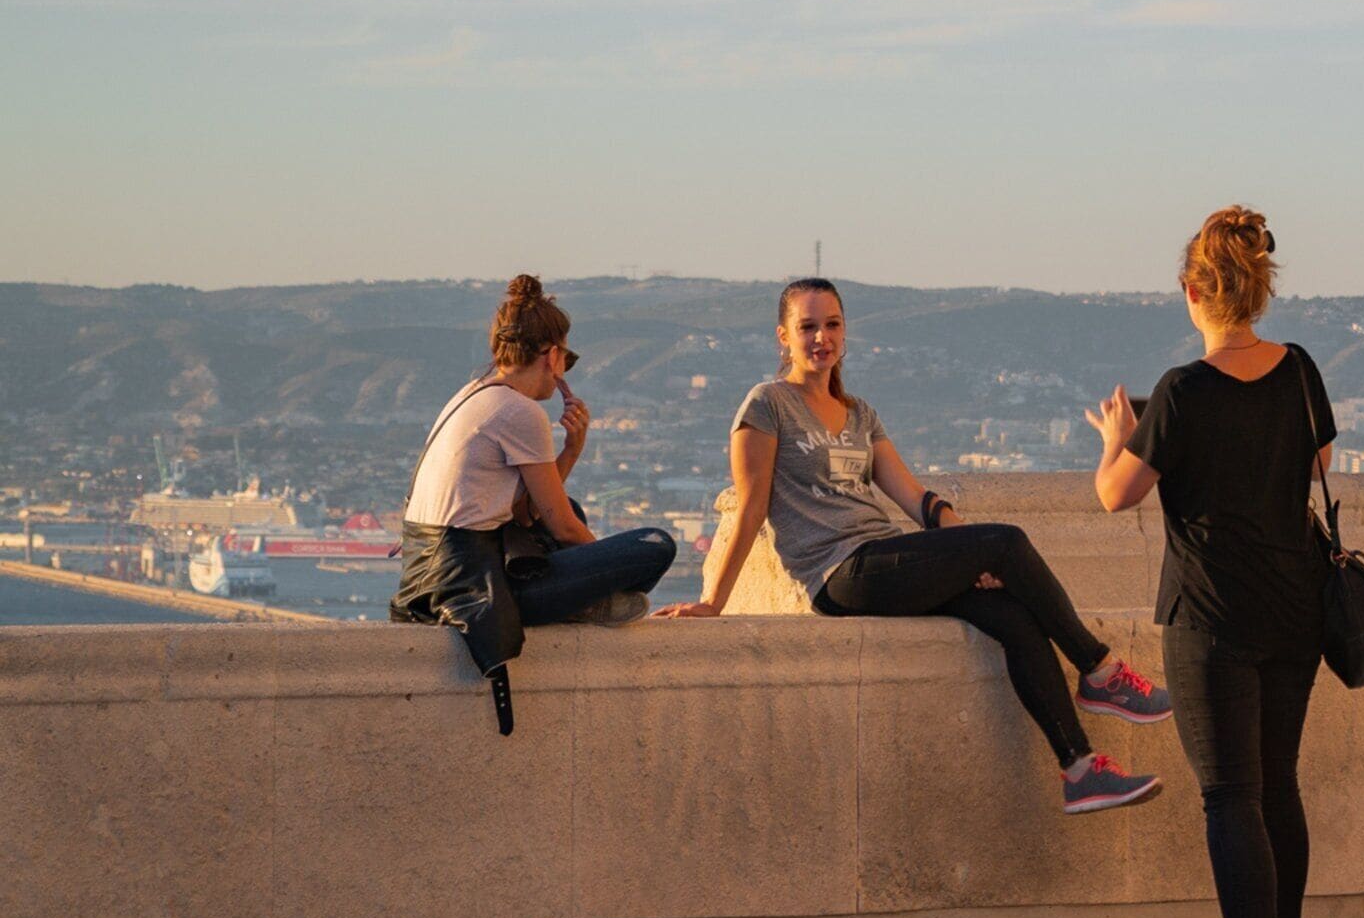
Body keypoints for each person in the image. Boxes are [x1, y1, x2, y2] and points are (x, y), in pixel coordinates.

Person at [660, 276, 1172, 814]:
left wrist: (969, 555)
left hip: (884, 556)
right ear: (782, 337)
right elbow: (750, 508)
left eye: (831, 324)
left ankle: (1080, 769)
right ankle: (1100, 672)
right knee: (1008, 541)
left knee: (1012, 615)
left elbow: (913, 498)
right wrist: (713, 602)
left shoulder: (860, 413)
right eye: (807, 326)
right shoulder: (767, 405)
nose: (821, 337)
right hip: (838, 574)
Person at [1086, 206, 1342, 918]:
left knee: (1230, 797)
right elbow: (1317, 461)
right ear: (1259, 287)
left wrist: (1116, 438)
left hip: (1210, 617)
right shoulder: (1300, 369)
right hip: (1294, 609)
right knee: (1277, 789)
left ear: (1194, 290)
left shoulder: (1183, 391)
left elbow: (1114, 493)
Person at [393, 276, 679, 709]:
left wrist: (571, 450)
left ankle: (580, 601)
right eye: (567, 357)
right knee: (656, 545)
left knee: (576, 508)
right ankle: (585, 603)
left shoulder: (471, 396)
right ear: (552, 357)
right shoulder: (520, 411)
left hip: (434, 581)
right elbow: (562, 528)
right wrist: (600, 575)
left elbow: (529, 514)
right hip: (479, 594)